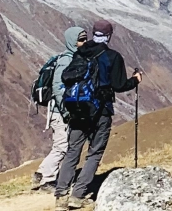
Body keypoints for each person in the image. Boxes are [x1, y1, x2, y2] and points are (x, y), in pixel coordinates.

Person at [55, 20, 142, 210]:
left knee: (72, 151)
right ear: (109, 36)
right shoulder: (112, 56)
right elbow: (119, 85)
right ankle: (77, 195)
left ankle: (61, 195)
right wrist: (135, 80)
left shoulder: (80, 52)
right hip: (100, 110)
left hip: (77, 109)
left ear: (93, 33)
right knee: (94, 152)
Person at [33, 26, 87, 192]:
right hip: (61, 112)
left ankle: (41, 174)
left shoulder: (75, 58)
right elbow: (58, 88)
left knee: (62, 145)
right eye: (81, 40)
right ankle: (46, 180)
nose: (84, 43)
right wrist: (66, 111)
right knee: (62, 146)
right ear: (72, 41)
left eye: (85, 39)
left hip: (65, 110)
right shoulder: (66, 60)